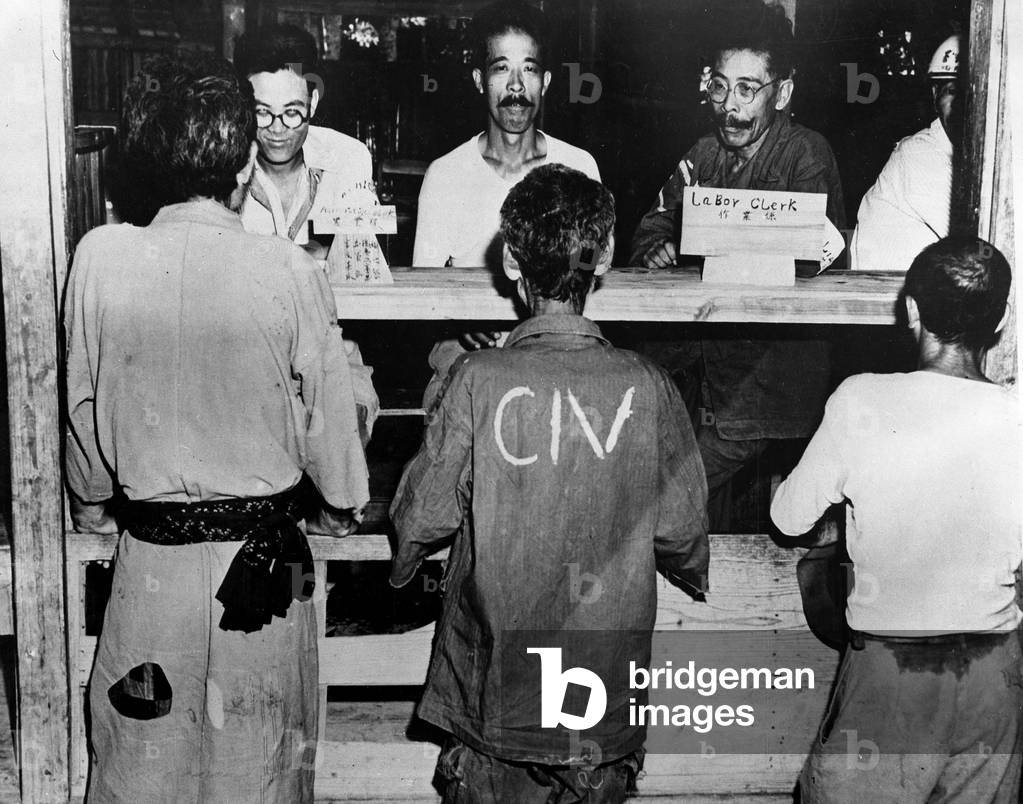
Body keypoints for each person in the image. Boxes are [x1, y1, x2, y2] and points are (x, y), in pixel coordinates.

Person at [65, 55, 369, 803]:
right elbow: (336, 458)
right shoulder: (291, 270)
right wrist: (336, 507)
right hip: (271, 575)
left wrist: (94, 506)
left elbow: (84, 429)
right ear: (241, 159)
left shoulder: (99, 258)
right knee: (265, 767)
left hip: (150, 569)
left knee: (140, 756)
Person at [390, 164, 709, 803]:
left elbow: (420, 520)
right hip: (601, 705)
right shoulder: (648, 385)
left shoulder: (477, 379)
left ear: (511, 260)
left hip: (495, 701)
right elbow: (682, 535)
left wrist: (404, 564)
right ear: (608, 255)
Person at [771, 237, 1022, 804]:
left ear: (910, 309)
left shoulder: (861, 400)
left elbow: (787, 519)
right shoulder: (1018, 416)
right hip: (996, 678)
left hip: (893, 673)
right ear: (1002, 318)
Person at [629, 8, 844, 506]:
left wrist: (709, 244)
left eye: (747, 89)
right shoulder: (702, 154)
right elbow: (653, 222)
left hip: (768, 386)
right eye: (719, 87)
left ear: (783, 93)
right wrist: (656, 248)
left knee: (665, 499)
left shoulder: (806, 154)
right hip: (699, 368)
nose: (729, 106)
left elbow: (809, 254)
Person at [413, 0, 601, 407]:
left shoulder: (578, 166)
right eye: (501, 68)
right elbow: (423, 294)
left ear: (546, 81)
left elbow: (592, 268)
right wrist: (461, 321)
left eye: (529, 70)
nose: (516, 87)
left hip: (560, 350)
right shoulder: (445, 174)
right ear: (480, 80)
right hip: (468, 358)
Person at [234, 23, 381, 439]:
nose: (278, 128)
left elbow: (359, 262)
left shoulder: (348, 158)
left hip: (329, 345)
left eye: (292, 112)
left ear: (313, 102)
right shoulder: (224, 164)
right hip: (244, 349)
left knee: (344, 430)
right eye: (262, 112)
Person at [850, 35, 961, 271]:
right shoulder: (919, 154)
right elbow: (977, 241)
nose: (963, 105)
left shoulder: (958, 154)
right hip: (888, 298)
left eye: (971, 92)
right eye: (952, 91)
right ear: (935, 94)